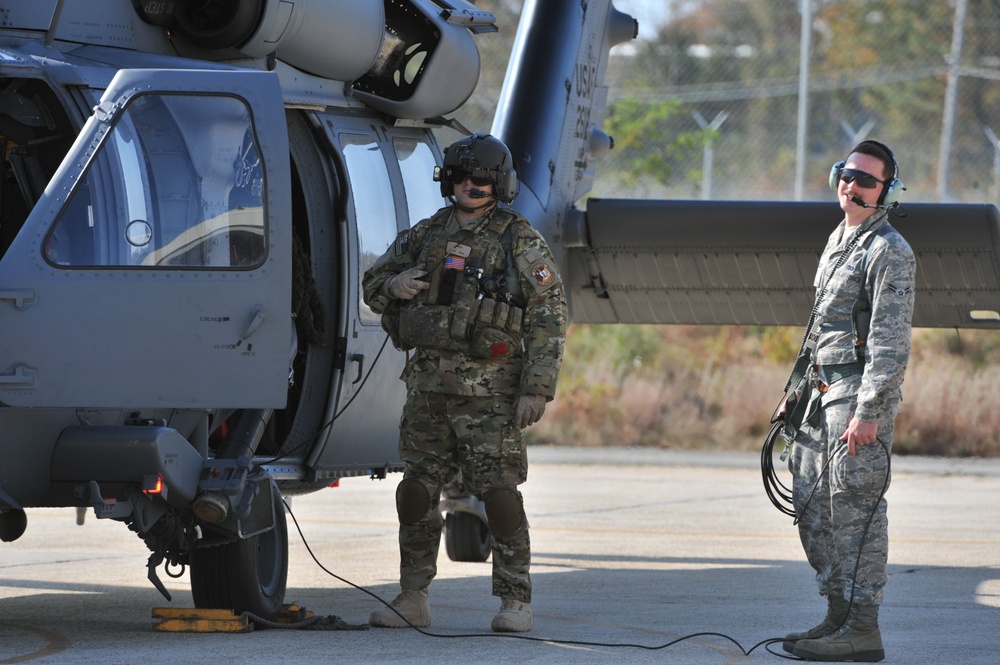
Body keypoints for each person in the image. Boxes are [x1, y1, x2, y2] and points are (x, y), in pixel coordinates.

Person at [361, 133, 567, 633]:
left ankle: (515, 600)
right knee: (416, 492)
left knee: (498, 494)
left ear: (498, 184)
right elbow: (373, 284)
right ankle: (413, 596)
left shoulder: (518, 238)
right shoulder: (426, 234)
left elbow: (549, 313)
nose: (470, 186)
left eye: (481, 179)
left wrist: (535, 389)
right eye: (460, 177)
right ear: (447, 180)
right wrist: (394, 285)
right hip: (429, 389)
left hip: (491, 395)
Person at [781, 140, 916, 662]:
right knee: (812, 507)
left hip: (856, 396)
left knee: (856, 511)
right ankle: (837, 615)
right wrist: (794, 394)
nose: (852, 186)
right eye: (846, 175)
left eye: (866, 181)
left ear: (887, 191)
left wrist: (868, 413)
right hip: (818, 392)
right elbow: (820, 329)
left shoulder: (890, 251)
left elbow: (890, 342)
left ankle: (863, 628)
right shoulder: (841, 238)